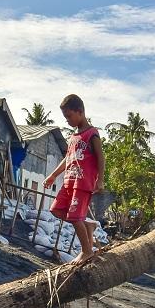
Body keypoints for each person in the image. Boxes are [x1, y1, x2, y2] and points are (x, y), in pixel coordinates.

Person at [44, 94, 106, 262]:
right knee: (56, 210)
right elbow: (67, 159)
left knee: (74, 217)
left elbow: (101, 158)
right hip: (68, 182)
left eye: (69, 116)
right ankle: (88, 225)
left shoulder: (92, 134)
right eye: (65, 117)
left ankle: (87, 251)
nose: (68, 121)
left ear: (80, 112)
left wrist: (100, 179)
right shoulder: (73, 137)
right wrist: (53, 175)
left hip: (83, 183)